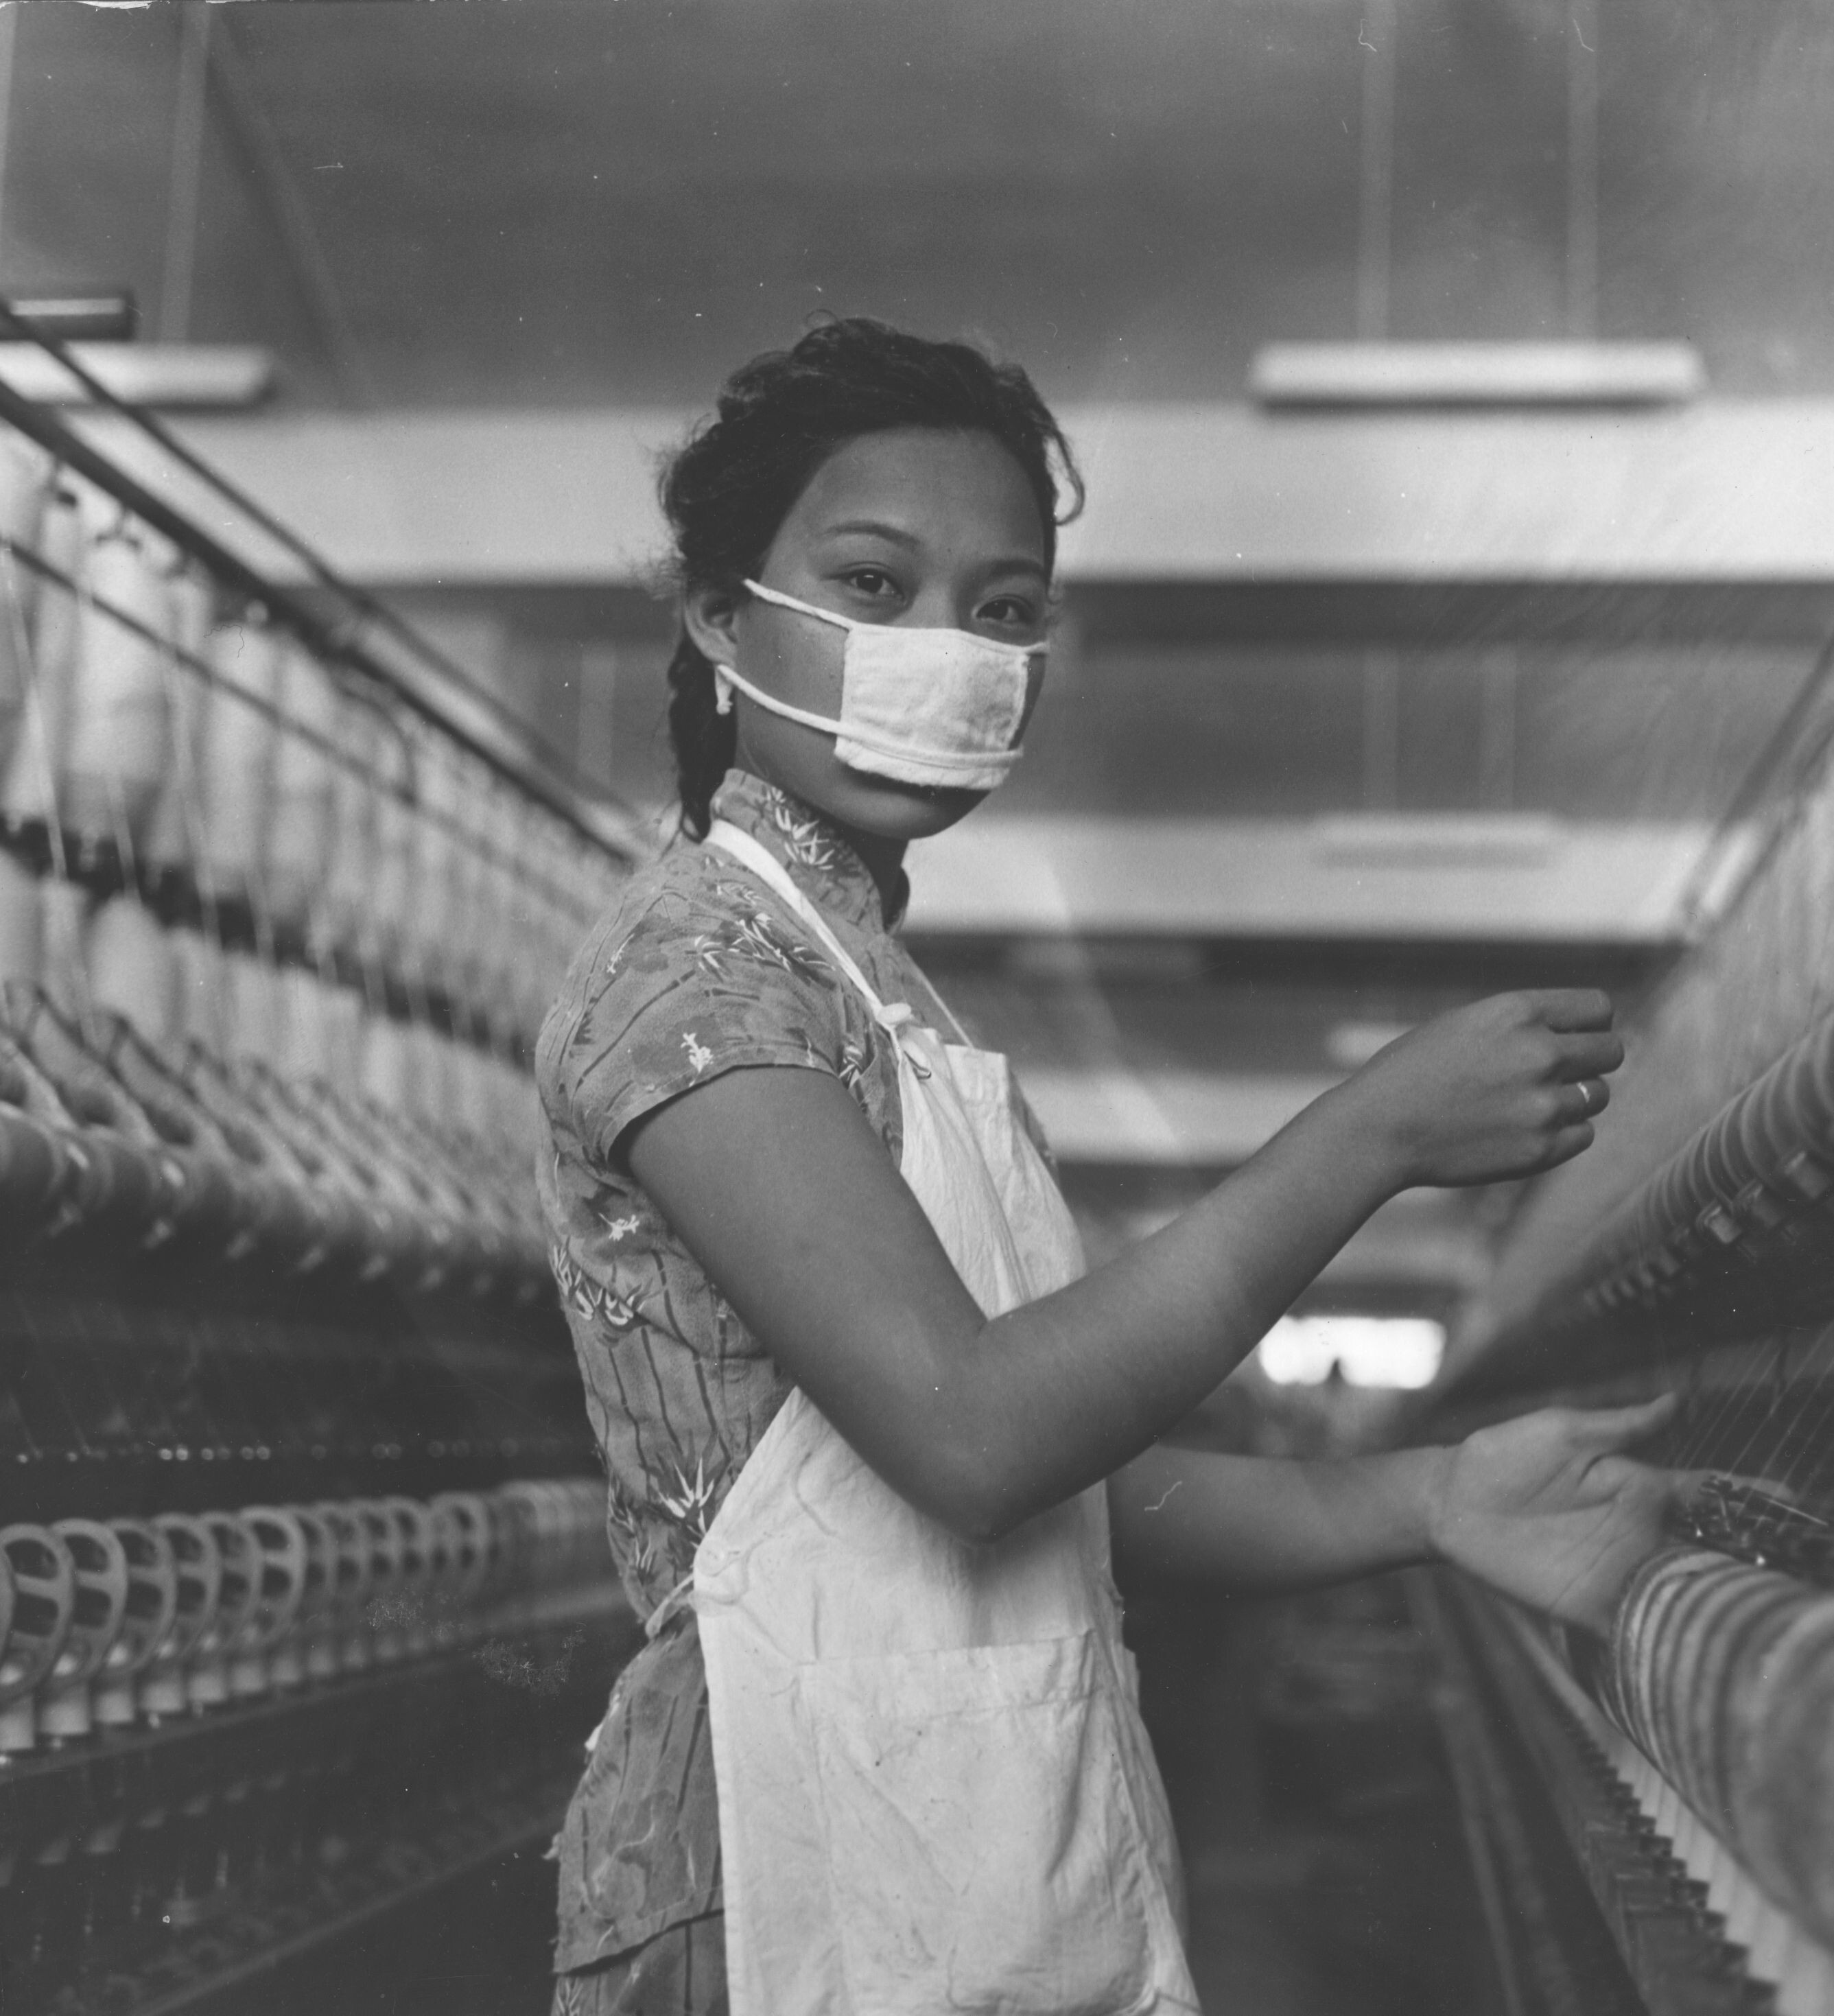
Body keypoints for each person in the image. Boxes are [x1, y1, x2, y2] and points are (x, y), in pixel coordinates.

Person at [538, 316, 1685, 2016]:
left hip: (961, 1848)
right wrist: (1366, 1135)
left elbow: (1073, 1480)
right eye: (871, 584)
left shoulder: (877, 992)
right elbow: (976, 1432)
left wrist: (1427, 1496)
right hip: (772, 1876)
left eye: (1004, 610)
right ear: (718, 615)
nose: (951, 648)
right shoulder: (696, 975)